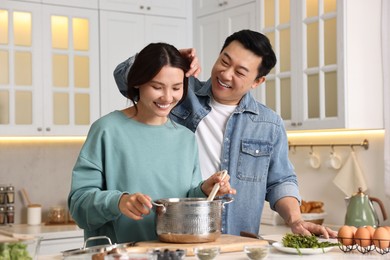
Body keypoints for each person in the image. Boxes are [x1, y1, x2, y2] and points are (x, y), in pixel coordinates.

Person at [114, 30, 338, 239]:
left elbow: (280, 180)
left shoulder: (269, 124)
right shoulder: (180, 92)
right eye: (224, 61)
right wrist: (165, 61)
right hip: (177, 234)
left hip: (236, 242)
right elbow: (124, 78)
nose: (226, 74)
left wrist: (295, 219)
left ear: (257, 81)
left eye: (240, 72)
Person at [68, 42, 236, 245]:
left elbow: (181, 200)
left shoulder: (185, 137)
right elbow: (78, 205)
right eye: (157, 87)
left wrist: (203, 190)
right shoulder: (107, 130)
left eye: (176, 88)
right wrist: (118, 202)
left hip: (172, 253)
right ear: (138, 82)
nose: (167, 97)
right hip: (119, 255)